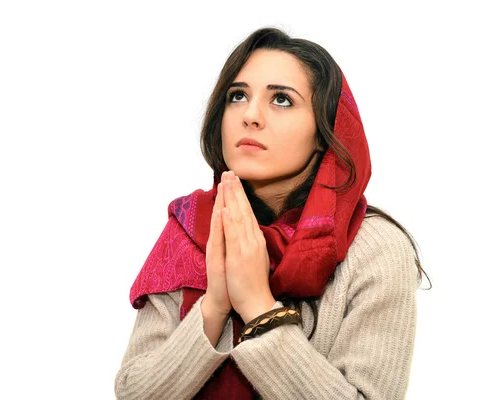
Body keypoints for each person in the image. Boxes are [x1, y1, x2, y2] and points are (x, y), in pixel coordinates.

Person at [114, 27, 429, 400]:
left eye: (281, 99)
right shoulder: (190, 229)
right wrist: (214, 304)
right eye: (237, 96)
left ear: (324, 132)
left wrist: (258, 307)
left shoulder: (374, 249)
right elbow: (133, 392)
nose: (250, 115)